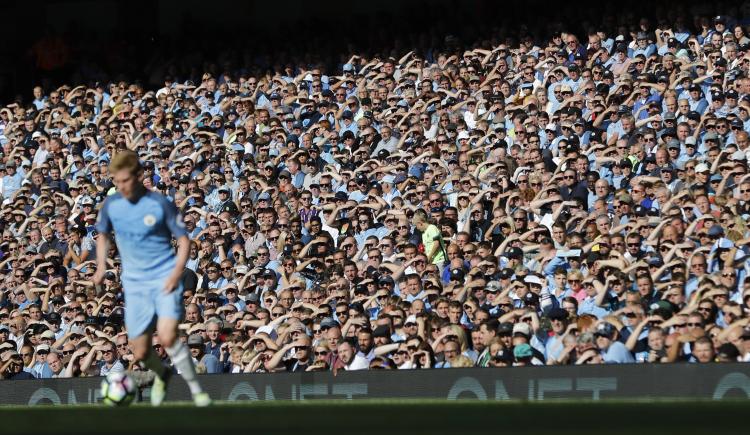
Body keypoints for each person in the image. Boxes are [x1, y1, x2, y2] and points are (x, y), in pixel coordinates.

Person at [93, 150, 210, 406]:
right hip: (134, 285)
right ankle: (163, 374)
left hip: (163, 278)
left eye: (125, 180)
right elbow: (102, 235)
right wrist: (101, 266)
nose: (121, 186)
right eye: (117, 182)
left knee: (167, 337)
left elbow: (183, 240)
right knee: (142, 351)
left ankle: (196, 391)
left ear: (139, 176)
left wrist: (177, 272)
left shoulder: (160, 204)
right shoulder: (112, 205)